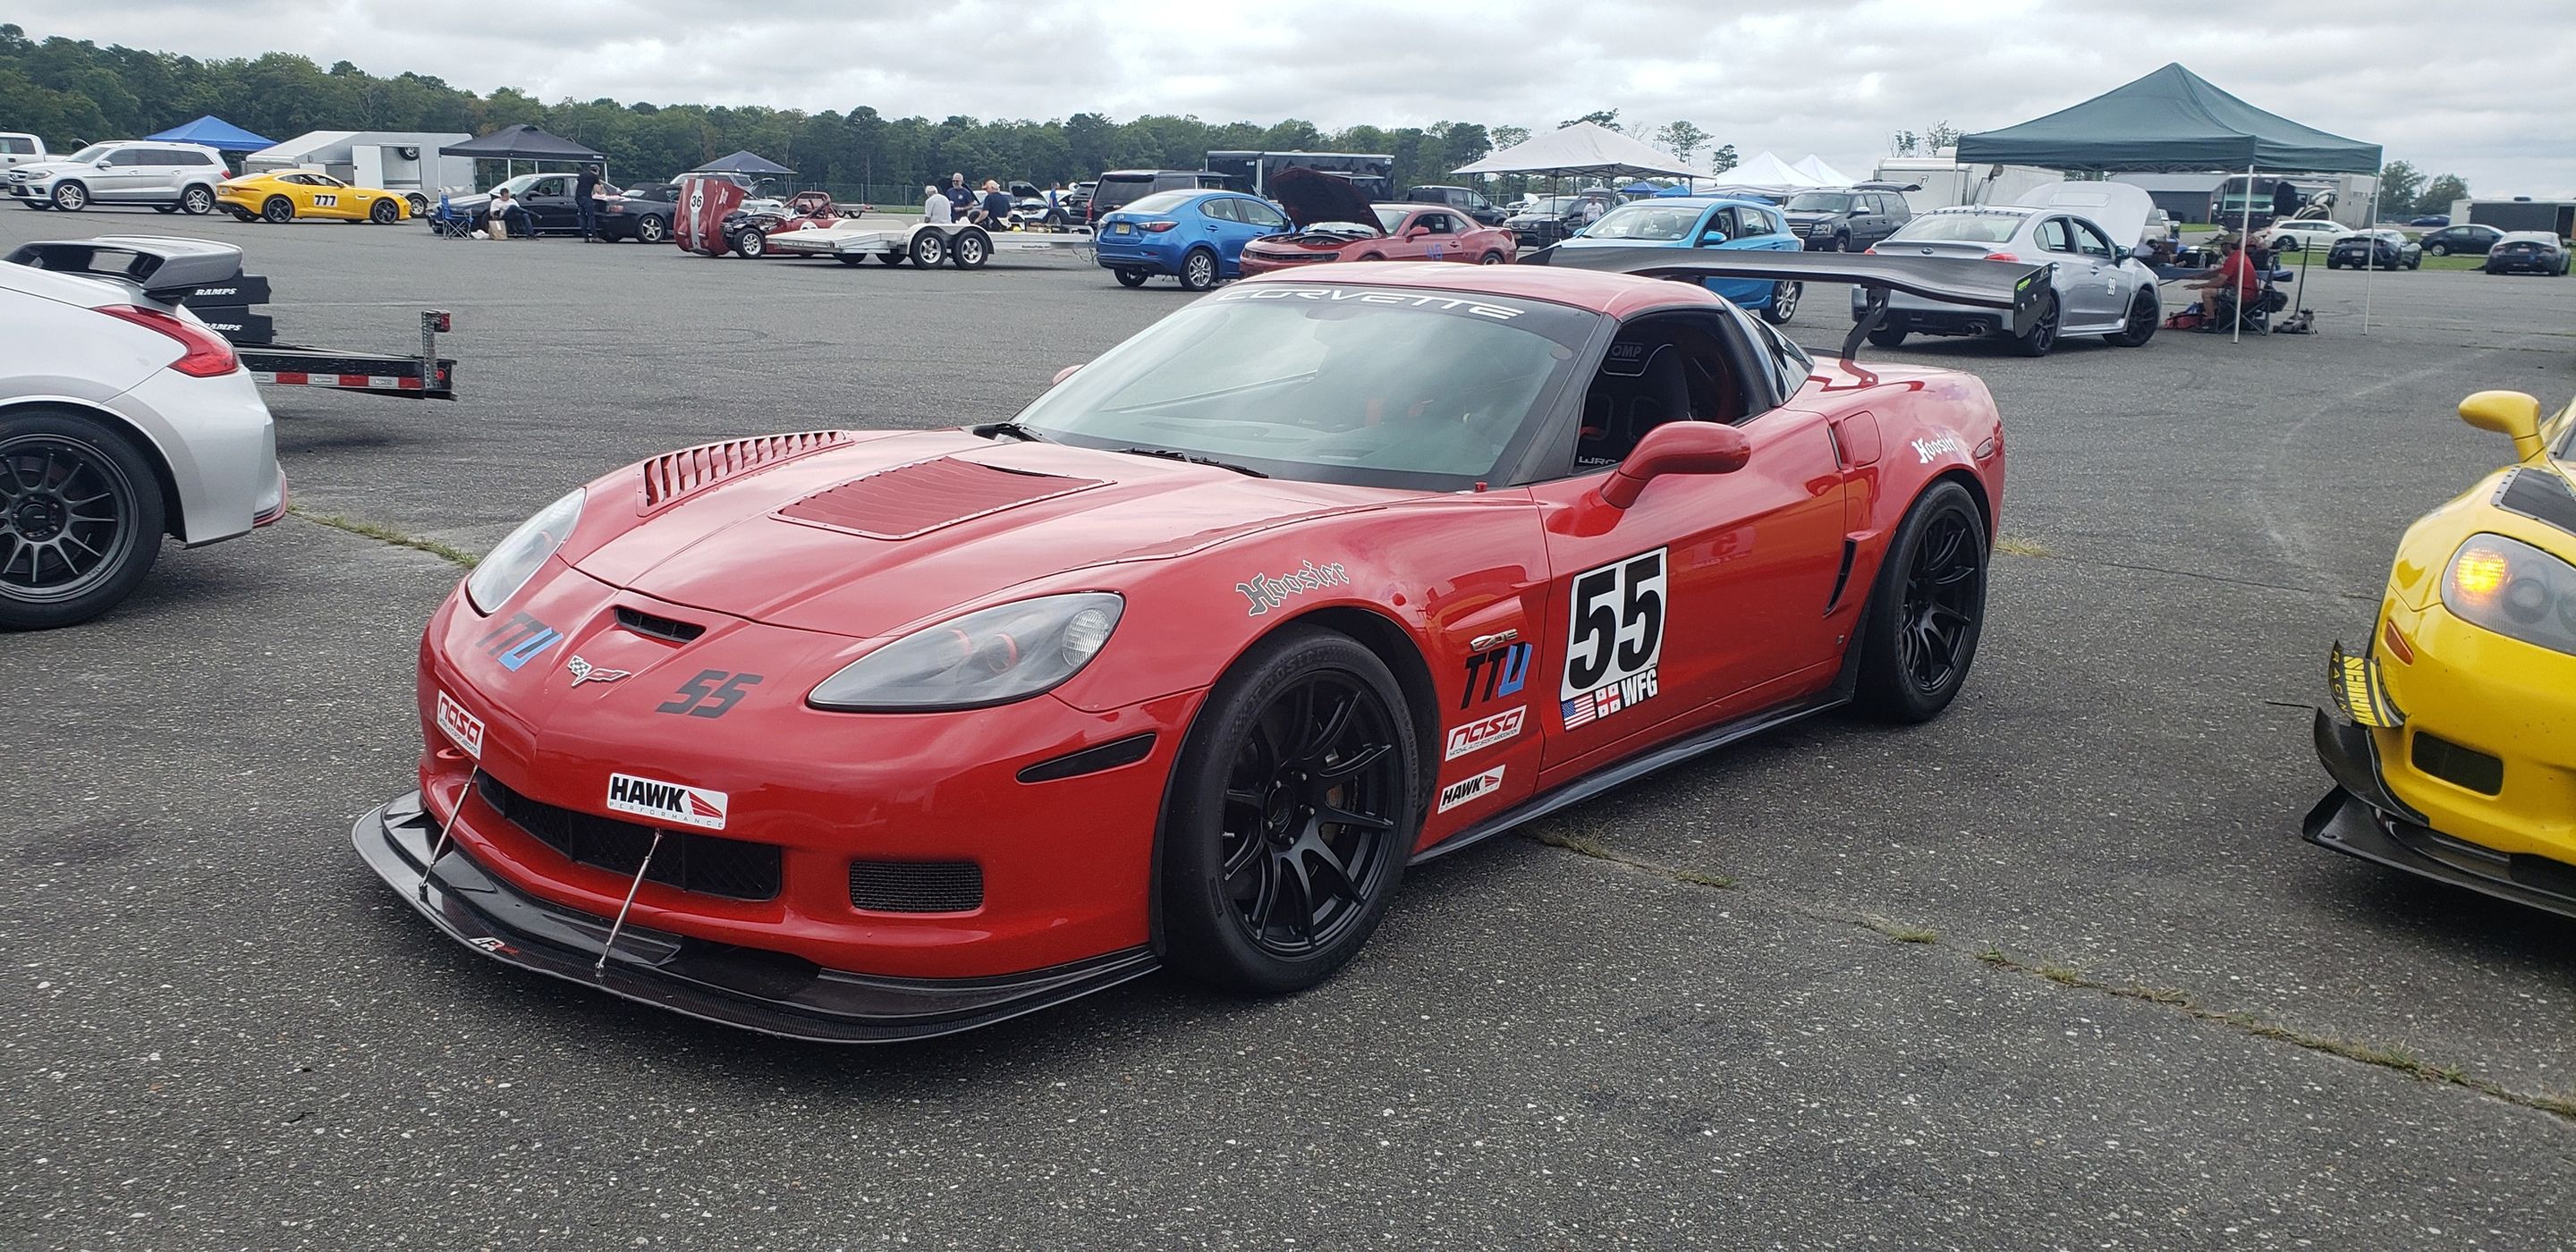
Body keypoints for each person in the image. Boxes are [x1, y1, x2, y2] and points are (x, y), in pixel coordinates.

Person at [2194, 237, 2260, 330]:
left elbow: (2220, 281)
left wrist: (2198, 286)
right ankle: (2218, 317)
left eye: (2222, 246)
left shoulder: (2233, 259)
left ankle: (2211, 322)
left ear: (2228, 246)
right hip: (2247, 291)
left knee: (2207, 292)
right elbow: (2220, 272)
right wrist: (2198, 276)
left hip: (2242, 293)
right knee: (2213, 289)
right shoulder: (2240, 255)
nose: (2221, 249)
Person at [575, 164, 604, 241]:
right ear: (597, 171)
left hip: (578, 197)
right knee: (591, 216)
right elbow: (598, 191)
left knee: (582, 217)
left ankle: (585, 237)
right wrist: (601, 187)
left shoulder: (582, 175)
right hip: (586, 198)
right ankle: (594, 236)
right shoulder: (594, 176)